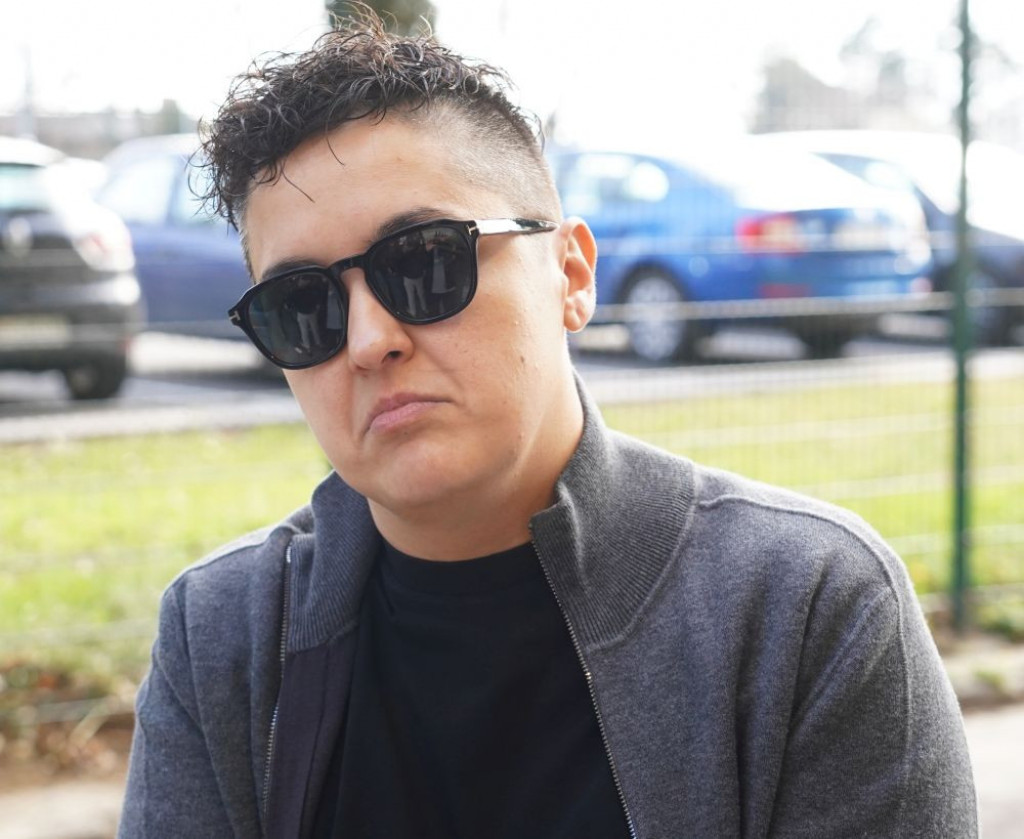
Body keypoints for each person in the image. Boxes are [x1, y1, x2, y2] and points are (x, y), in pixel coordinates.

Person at [118, 9, 978, 839]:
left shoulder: (805, 610)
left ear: (571, 273)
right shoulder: (223, 634)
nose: (371, 340)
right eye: (301, 305)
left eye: (425, 261)